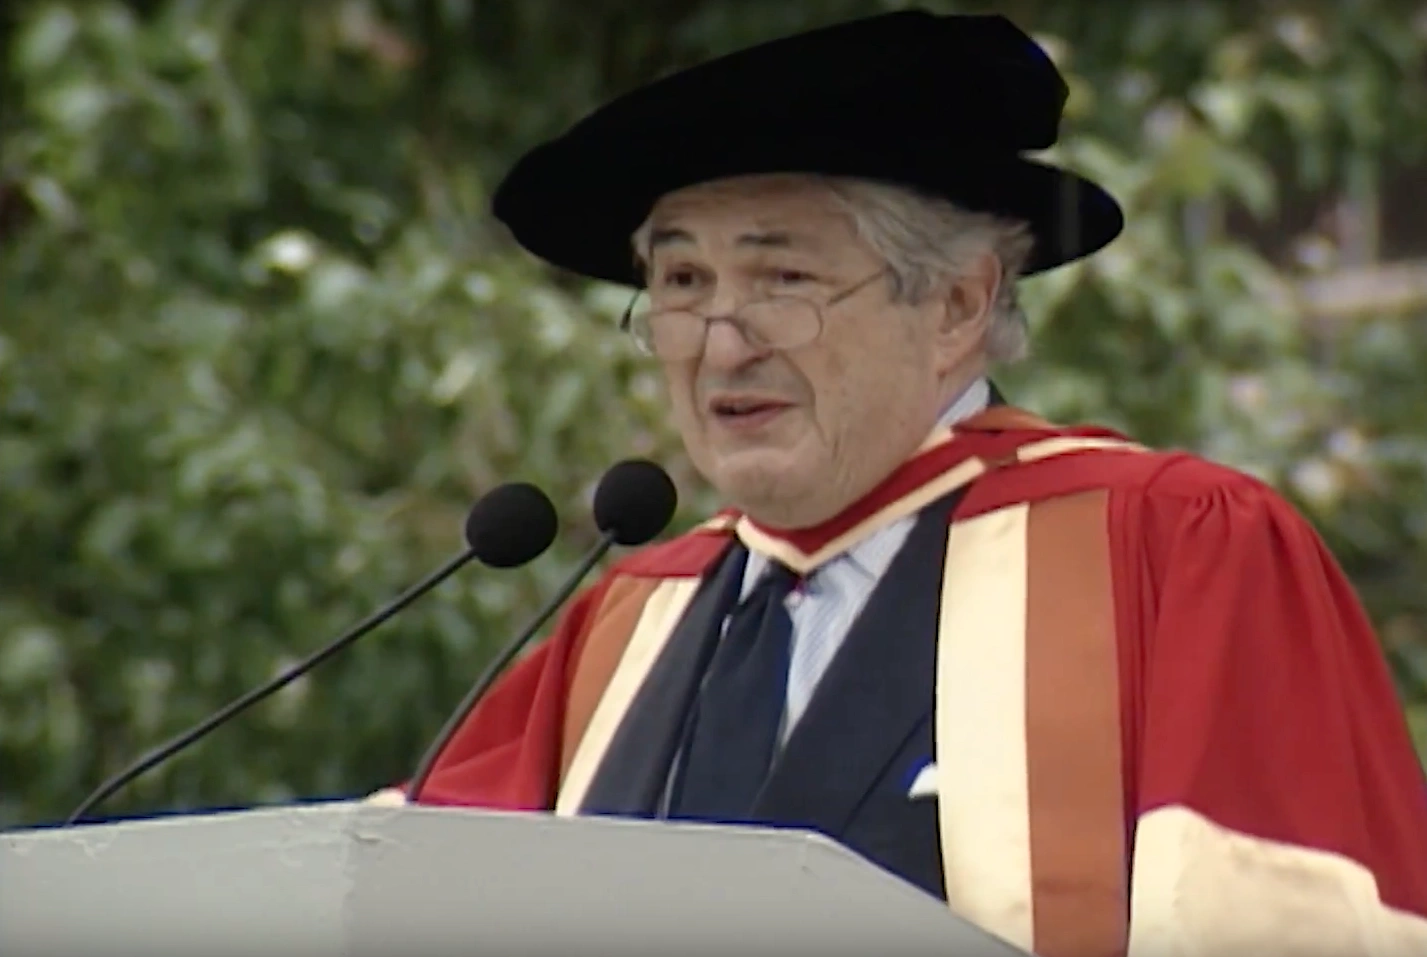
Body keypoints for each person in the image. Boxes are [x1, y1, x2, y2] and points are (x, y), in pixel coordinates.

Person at [369, 11, 1427, 955]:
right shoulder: (618, 629)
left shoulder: (1169, 553)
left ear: (956, 306)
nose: (720, 344)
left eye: (783, 277)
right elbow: (387, 895)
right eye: (683, 281)